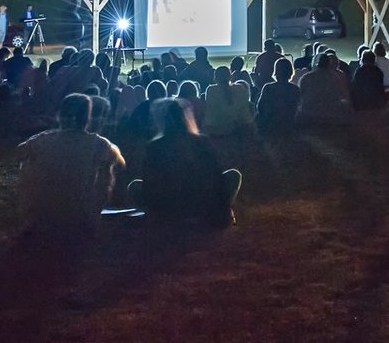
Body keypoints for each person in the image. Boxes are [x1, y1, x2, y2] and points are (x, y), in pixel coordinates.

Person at [18, 94, 125, 239]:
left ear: (60, 115)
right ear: (87, 118)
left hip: (41, 217)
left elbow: (20, 152)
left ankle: (34, 208)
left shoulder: (43, 139)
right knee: (107, 169)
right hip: (79, 217)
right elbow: (120, 163)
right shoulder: (98, 143)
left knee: (28, 163)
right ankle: (94, 214)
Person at [130, 100, 241, 228]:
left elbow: (149, 182)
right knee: (233, 175)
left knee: (134, 186)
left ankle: (159, 220)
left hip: (168, 205)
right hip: (202, 203)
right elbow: (216, 176)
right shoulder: (201, 141)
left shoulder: (154, 146)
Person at [297, 50, 355, 125]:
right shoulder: (336, 77)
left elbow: (300, 96)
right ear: (329, 63)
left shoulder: (306, 77)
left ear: (315, 63)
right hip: (332, 113)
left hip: (310, 113)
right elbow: (343, 94)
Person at [255, 58, 301, 135]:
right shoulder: (295, 89)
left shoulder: (268, 87)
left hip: (270, 125)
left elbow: (260, 107)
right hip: (288, 125)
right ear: (290, 72)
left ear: (276, 71)